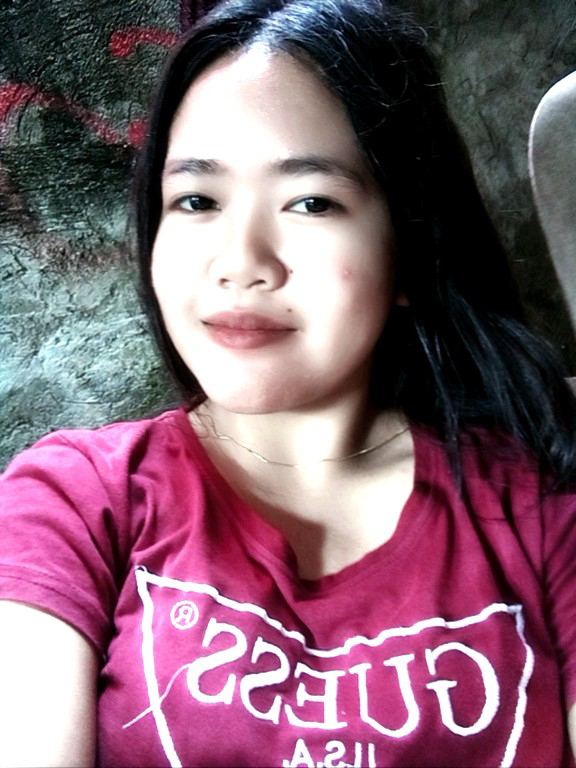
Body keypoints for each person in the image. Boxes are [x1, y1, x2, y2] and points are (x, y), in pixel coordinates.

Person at [1, 0, 576, 765]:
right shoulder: (75, 501)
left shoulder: (542, 504)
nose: (242, 262)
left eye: (311, 202)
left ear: (409, 246)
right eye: (197, 200)